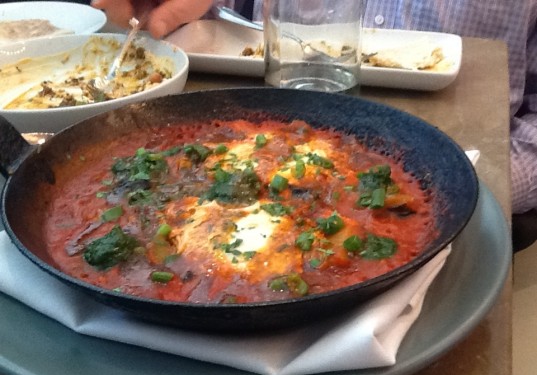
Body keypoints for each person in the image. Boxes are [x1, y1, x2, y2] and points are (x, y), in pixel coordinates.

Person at [92, 0, 537, 251]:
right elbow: (222, 17)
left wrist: (476, 180)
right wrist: (171, 10)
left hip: (465, 181)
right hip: (255, 133)